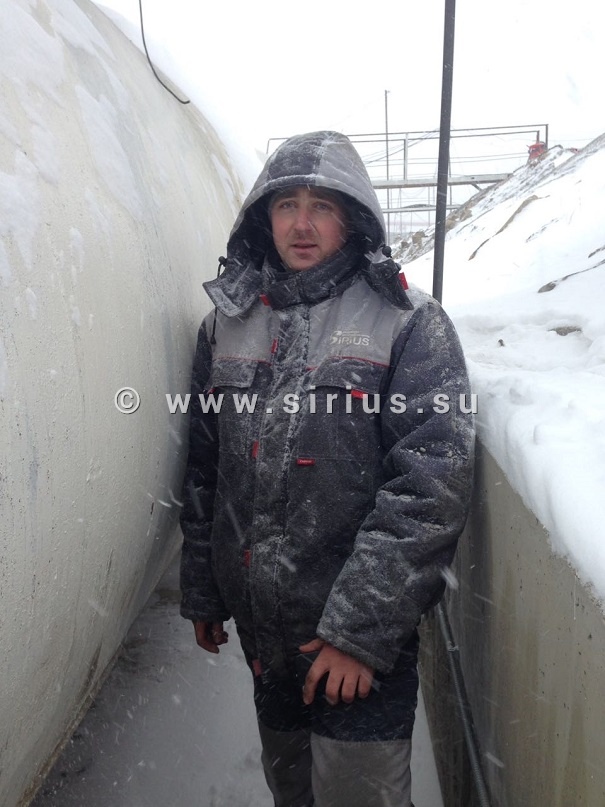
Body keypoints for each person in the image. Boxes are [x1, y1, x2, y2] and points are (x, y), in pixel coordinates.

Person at [179, 130, 475, 807]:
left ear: (353, 217)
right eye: (287, 204)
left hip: (359, 649)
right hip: (266, 637)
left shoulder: (409, 323)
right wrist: (204, 590)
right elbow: (204, 468)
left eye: (322, 205)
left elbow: (430, 482)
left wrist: (357, 632)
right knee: (292, 790)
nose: (302, 224)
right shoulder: (224, 325)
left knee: (357, 795)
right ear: (265, 216)